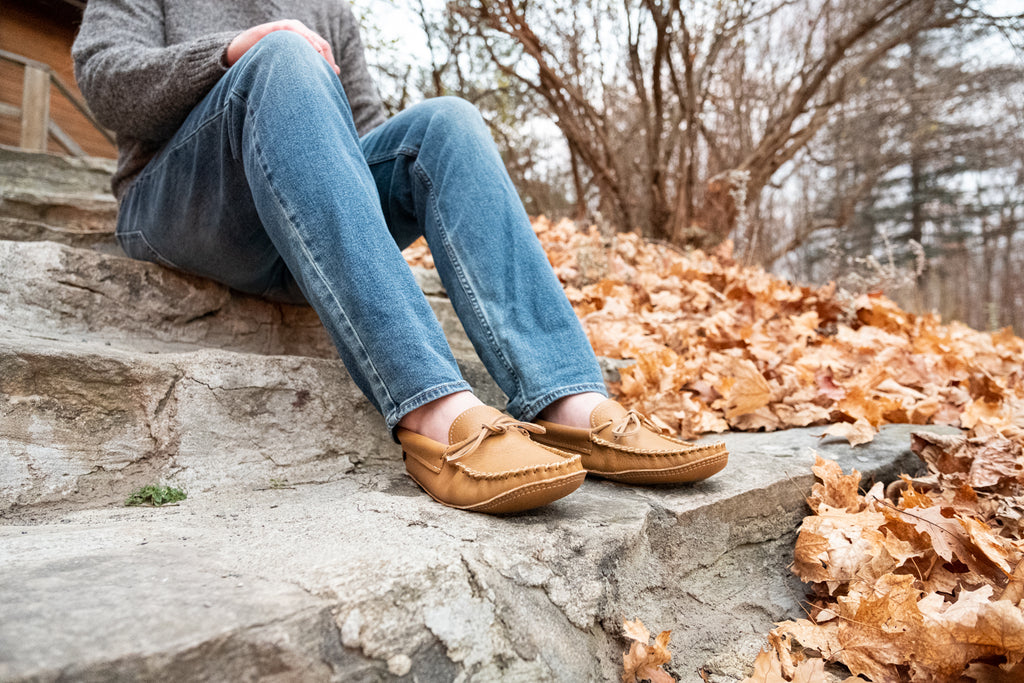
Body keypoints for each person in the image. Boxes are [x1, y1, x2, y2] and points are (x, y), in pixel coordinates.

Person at [72, 0, 728, 514]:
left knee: (447, 122)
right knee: (284, 56)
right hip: (183, 204)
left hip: (296, 225)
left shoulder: (331, 9)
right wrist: (231, 52)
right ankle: (432, 409)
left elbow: (362, 146)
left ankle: (568, 400)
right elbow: (103, 78)